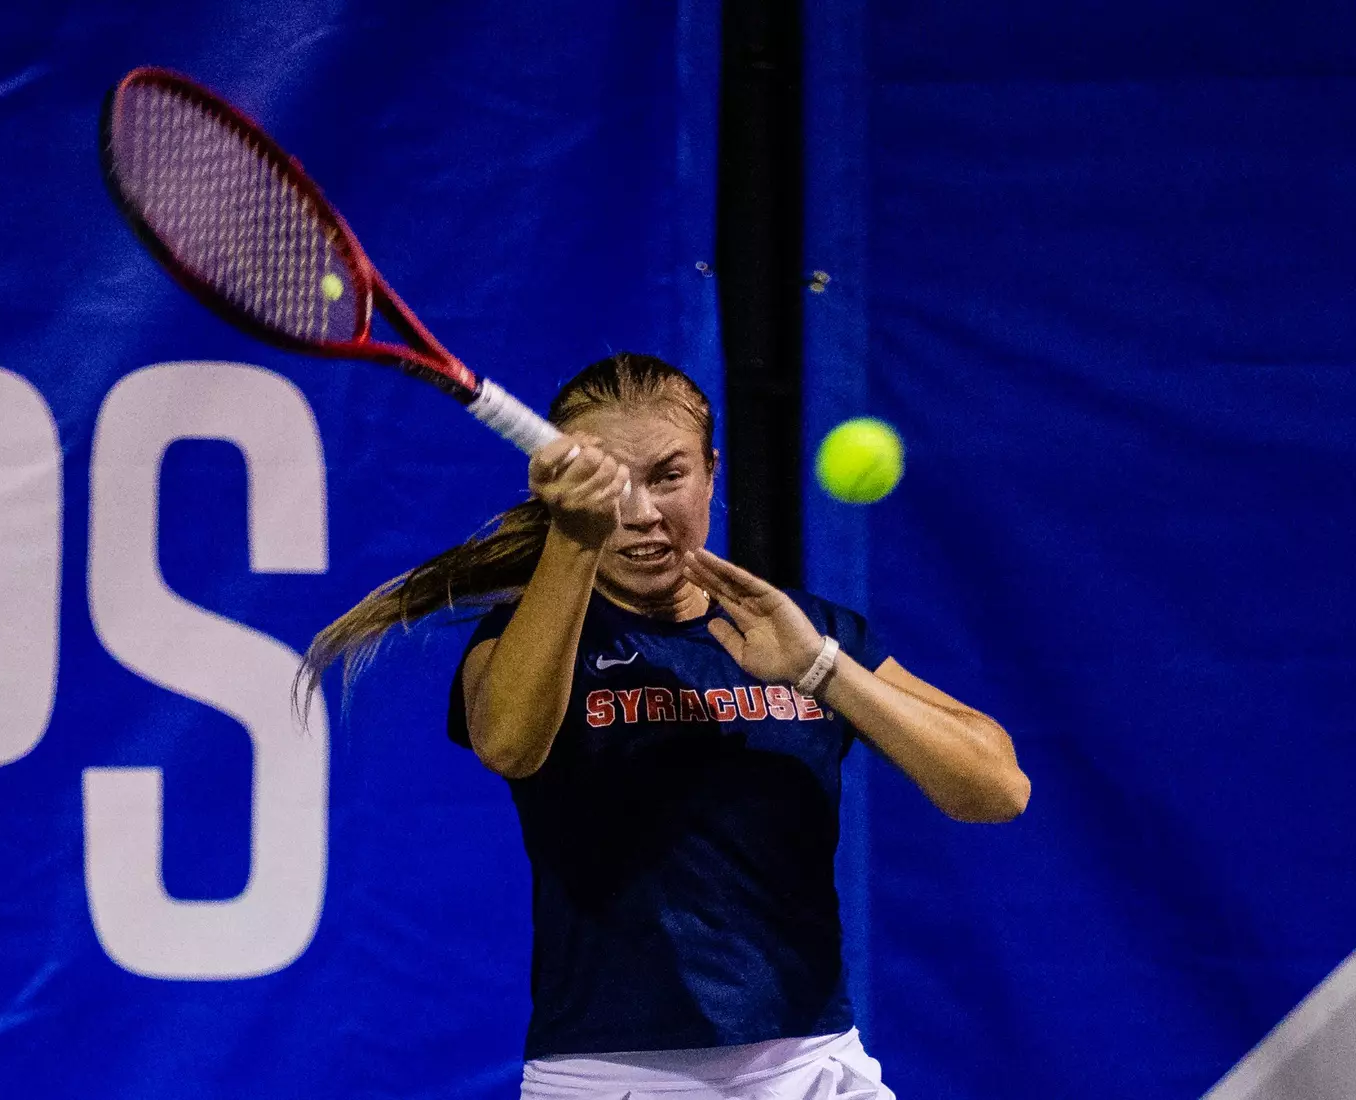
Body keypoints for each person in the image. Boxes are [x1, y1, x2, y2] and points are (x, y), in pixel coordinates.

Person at [299, 353, 1030, 1099]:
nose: (642, 513)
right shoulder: (530, 637)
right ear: (562, 490)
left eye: (668, 476)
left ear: (712, 471)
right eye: (613, 483)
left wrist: (820, 669)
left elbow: (997, 787)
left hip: (814, 1067)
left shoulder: (804, 630)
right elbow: (510, 746)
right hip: (613, 1077)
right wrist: (574, 540)